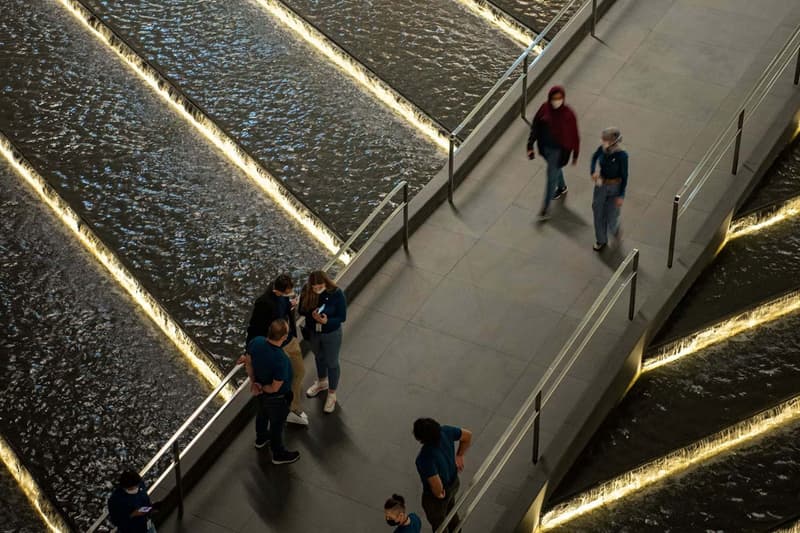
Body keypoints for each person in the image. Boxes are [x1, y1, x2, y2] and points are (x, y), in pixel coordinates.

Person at [246, 273, 308, 426]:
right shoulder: (263, 302)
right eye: (288, 291)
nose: (290, 294)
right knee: (285, 378)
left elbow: (286, 308)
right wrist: (248, 351)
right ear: (280, 290)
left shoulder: (283, 297)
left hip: (290, 340)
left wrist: (290, 305)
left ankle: (292, 407)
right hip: (278, 346)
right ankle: (291, 410)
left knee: (299, 372)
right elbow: (254, 327)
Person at [243, 319, 300, 464]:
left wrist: (254, 383)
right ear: (283, 337)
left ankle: (261, 439)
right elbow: (275, 387)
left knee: (262, 415)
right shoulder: (280, 359)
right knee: (277, 425)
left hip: (260, 393)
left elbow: (248, 362)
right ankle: (278, 454)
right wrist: (263, 388)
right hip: (277, 398)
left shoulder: (256, 342)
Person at [526, 85, 580, 221]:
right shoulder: (544, 109)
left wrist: (575, 154)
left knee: (551, 178)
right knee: (555, 170)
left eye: (560, 98)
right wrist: (530, 145)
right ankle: (562, 187)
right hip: (545, 149)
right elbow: (536, 126)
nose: (557, 101)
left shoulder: (568, 114)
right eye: (555, 98)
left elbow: (574, 135)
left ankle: (545, 209)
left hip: (559, 152)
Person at [413, 418, 472, 532]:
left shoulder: (425, 457)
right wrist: (459, 455)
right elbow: (468, 436)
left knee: (439, 523)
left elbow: (436, 486)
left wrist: (439, 493)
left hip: (439, 496)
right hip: (454, 483)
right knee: (451, 511)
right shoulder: (445, 431)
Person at [300, 270, 347, 414]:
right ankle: (321, 382)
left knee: (332, 363)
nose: (317, 289)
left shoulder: (336, 293)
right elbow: (301, 310)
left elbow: (342, 317)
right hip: (314, 332)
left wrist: (327, 321)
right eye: (314, 287)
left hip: (331, 333)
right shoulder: (307, 291)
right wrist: (311, 312)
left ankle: (332, 393)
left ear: (325, 282)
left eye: (319, 286)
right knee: (319, 357)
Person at [590, 127, 629, 251]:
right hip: (601, 184)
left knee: (611, 215)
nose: (602, 141)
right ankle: (601, 240)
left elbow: (624, 175)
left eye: (605, 139)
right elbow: (594, 157)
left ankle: (615, 230)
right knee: (597, 210)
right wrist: (593, 172)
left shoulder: (622, 155)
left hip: (615, 186)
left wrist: (621, 195)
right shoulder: (602, 150)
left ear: (612, 141)